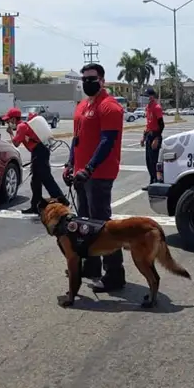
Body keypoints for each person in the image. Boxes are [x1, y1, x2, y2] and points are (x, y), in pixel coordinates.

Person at [64, 62, 126, 292]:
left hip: (99, 174)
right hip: (80, 174)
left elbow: (107, 142)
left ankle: (115, 274)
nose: (87, 83)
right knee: (84, 223)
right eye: (84, 79)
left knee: (102, 225)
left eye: (92, 79)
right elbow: (76, 138)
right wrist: (70, 164)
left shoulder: (110, 107)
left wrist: (89, 168)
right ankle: (91, 266)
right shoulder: (81, 106)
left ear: (101, 80)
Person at [2, 107, 66, 215]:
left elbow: (16, 143)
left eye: (9, 120)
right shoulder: (24, 126)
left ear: (14, 119)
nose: (8, 123)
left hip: (39, 152)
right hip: (39, 152)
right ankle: (35, 206)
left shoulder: (21, 126)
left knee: (46, 178)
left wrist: (10, 133)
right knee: (36, 181)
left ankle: (62, 201)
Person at [140, 88, 165, 190]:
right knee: (148, 160)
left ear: (152, 96)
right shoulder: (148, 108)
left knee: (154, 161)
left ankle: (156, 181)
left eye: (147, 96)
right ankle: (152, 181)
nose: (146, 98)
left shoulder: (156, 107)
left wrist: (157, 138)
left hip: (155, 135)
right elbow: (149, 124)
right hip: (149, 135)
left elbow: (161, 125)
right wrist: (144, 137)